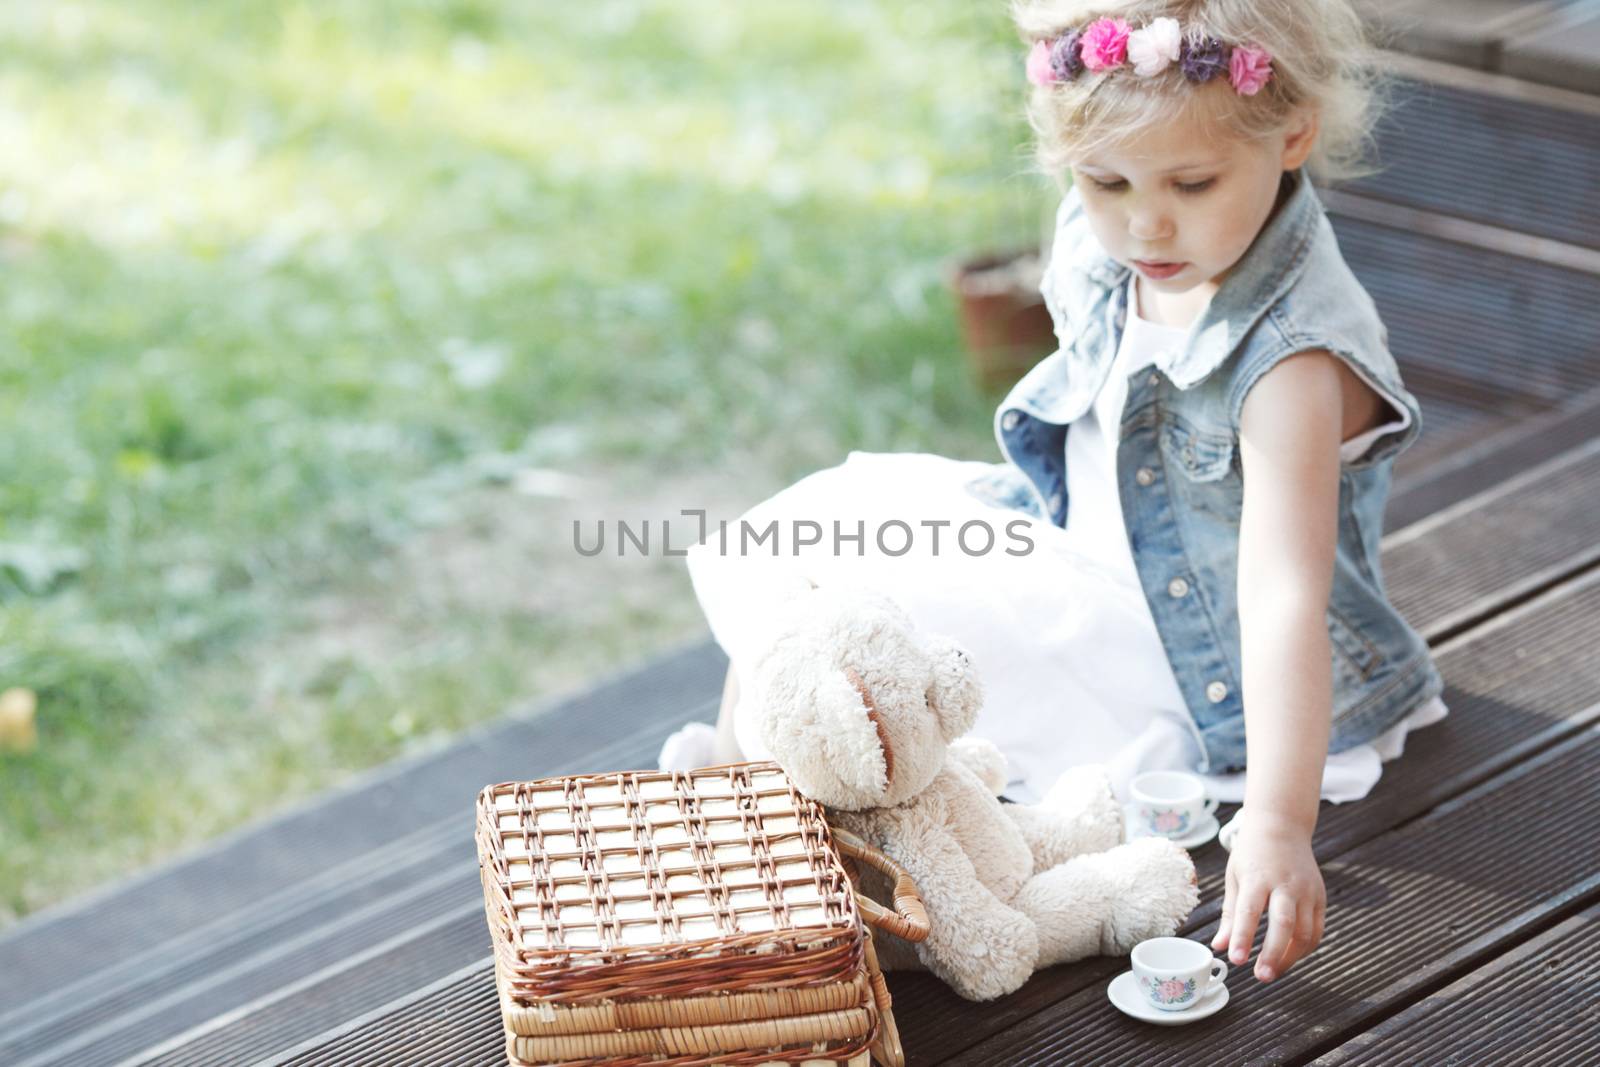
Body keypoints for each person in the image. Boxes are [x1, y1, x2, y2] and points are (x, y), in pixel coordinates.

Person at [658, 0, 1447, 987]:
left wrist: (1278, 823)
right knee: (821, 538)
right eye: (1104, 180)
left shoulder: (1289, 362)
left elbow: (1281, 592)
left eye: (1190, 184)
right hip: (1072, 552)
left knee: (881, 637)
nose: (1144, 221)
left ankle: (796, 872)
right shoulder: (1117, 227)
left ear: (1291, 135)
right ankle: (754, 821)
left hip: (1191, 663)